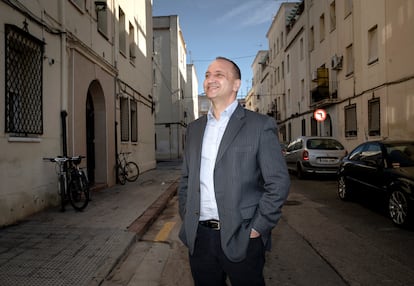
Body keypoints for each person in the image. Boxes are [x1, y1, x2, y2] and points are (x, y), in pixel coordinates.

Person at [178, 56, 290, 286]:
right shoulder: (194, 129)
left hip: (243, 236)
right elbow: (186, 180)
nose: (210, 79)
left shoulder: (260, 125)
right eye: (208, 75)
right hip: (200, 238)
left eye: (219, 74)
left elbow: (277, 182)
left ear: (236, 84)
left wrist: (258, 227)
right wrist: (187, 217)